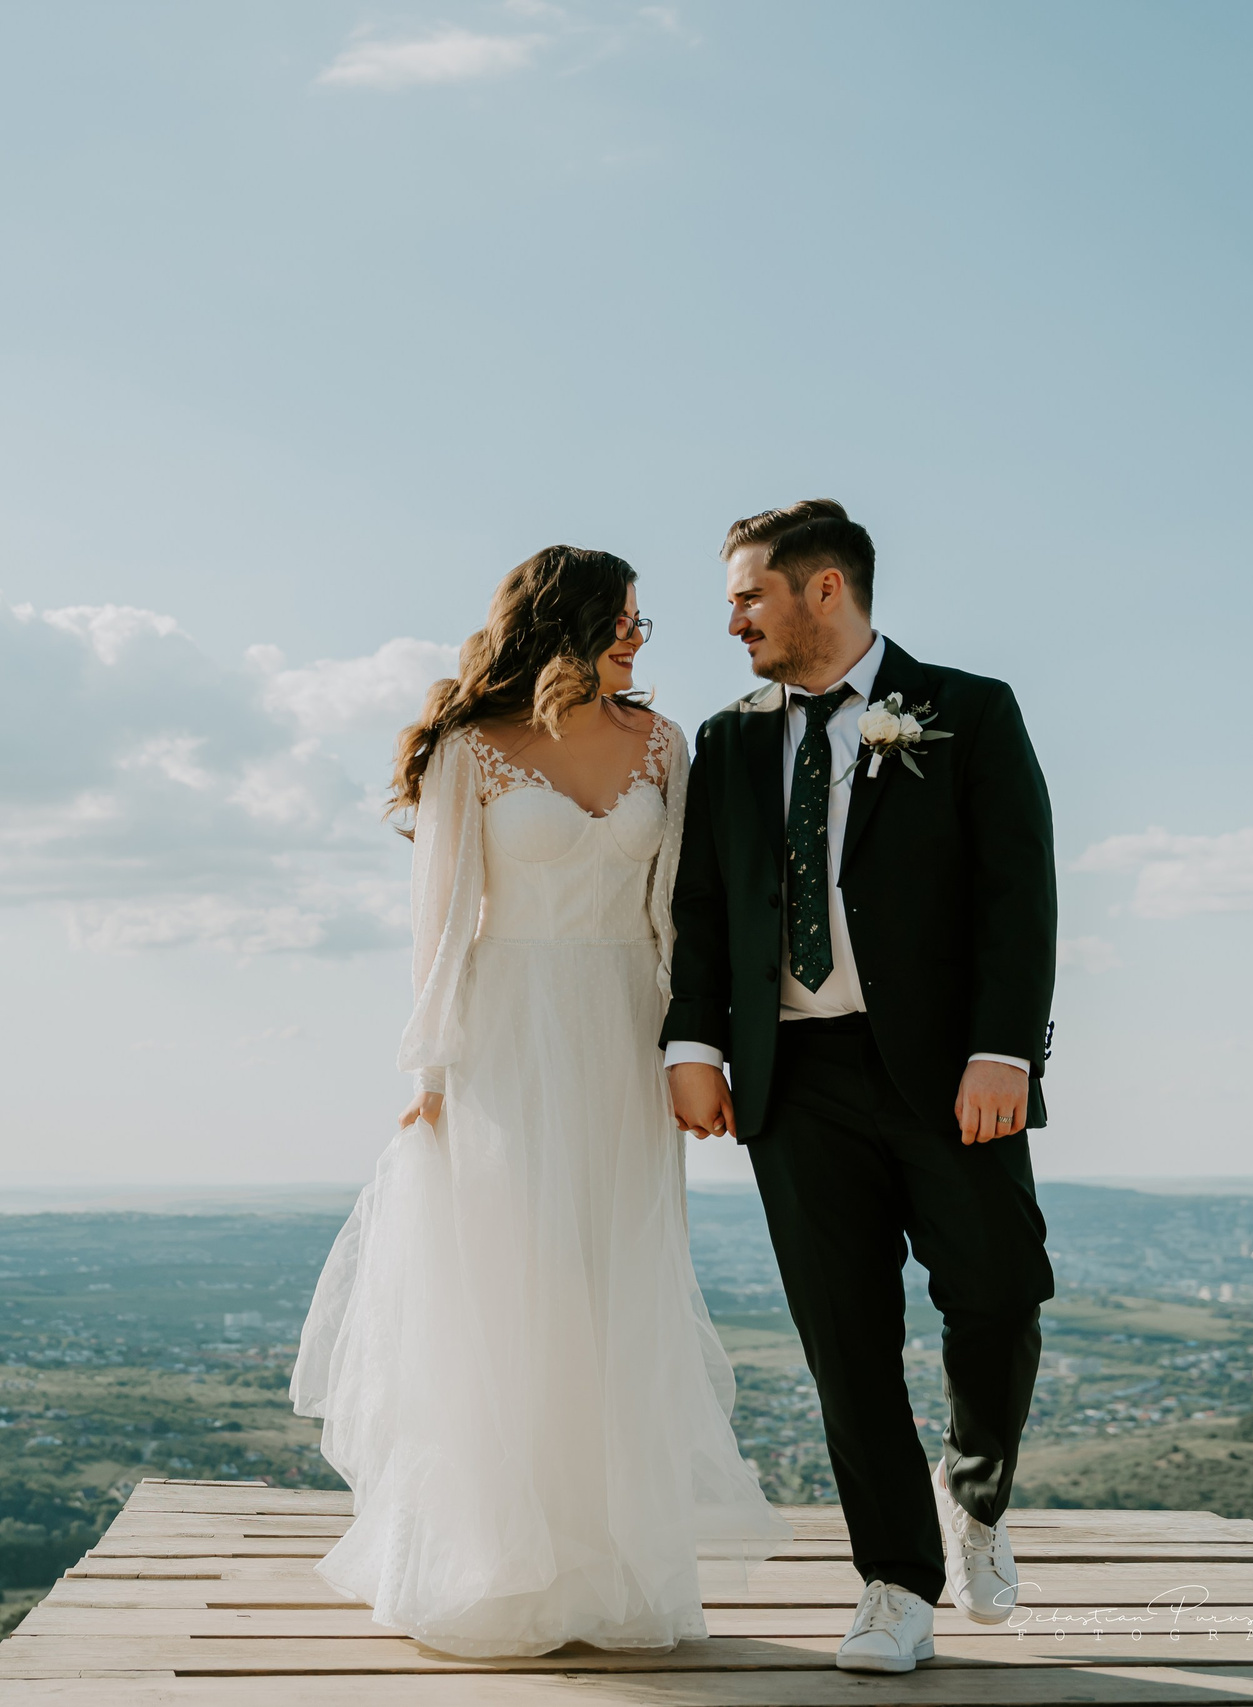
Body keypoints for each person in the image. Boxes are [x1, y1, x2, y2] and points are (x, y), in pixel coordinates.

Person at [292, 545, 788, 1658]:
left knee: (614, 1289)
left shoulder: (664, 744)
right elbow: (441, 920)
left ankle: (610, 1577)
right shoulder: (469, 751)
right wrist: (427, 1075)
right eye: (619, 617)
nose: (638, 635)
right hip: (504, 1033)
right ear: (557, 622)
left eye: (641, 619)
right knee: (513, 1289)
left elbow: (680, 913)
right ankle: (495, 1567)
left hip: (622, 1030)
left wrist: (686, 1048)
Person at [662, 500, 1056, 1675]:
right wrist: (693, 1046)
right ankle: (894, 1584)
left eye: (746, 596)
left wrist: (1005, 1050)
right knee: (845, 1338)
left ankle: (974, 1493)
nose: (729, 618)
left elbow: (1017, 891)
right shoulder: (728, 741)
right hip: (794, 1075)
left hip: (947, 1072)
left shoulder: (968, 710)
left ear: (822, 589)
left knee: (995, 1292)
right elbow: (699, 907)